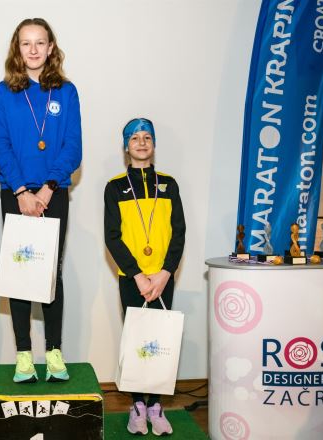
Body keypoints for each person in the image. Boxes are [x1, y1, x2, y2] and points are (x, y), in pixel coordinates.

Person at [0, 18, 82, 383]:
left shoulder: (67, 92)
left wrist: (47, 188)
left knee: (50, 273)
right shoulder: (4, 91)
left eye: (39, 42)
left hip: (53, 194)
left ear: (50, 47)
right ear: (17, 48)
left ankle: (54, 352)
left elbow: (72, 147)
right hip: (16, 195)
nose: (33, 49)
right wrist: (21, 191)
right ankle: (24, 355)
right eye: (26, 43)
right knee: (20, 274)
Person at [104, 118, 186, 436]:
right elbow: (112, 237)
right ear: (126, 146)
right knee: (138, 342)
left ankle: (156, 405)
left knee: (161, 342)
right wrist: (138, 275)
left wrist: (165, 272)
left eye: (147, 137)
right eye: (134, 138)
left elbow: (179, 232)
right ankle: (137, 405)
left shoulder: (169, 184)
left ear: (153, 144)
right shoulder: (115, 187)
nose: (141, 142)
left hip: (163, 276)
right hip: (132, 278)